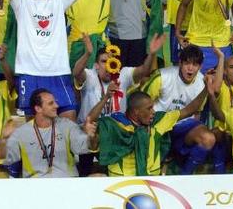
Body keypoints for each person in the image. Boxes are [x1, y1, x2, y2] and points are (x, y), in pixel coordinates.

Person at [9, 0, 114, 121]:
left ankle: (72, 144)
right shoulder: (22, 0)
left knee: (68, 114)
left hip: (57, 69)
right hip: (31, 70)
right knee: (36, 121)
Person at [74, 34, 163, 176]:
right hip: (89, 129)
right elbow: (77, 72)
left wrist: (152, 54)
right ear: (96, 65)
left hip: (114, 132)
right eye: (103, 61)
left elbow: (144, 70)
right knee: (89, 140)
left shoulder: (124, 74)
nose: (109, 66)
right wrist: (88, 53)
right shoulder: (90, 76)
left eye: (112, 61)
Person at [138, 44, 224, 174]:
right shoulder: (162, 77)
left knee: (208, 138)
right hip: (158, 124)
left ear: (200, 67)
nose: (190, 68)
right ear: (180, 63)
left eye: (195, 65)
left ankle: (185, 175)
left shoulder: (202, 82)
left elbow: (197, 114)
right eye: (187, 64)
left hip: (182, 127)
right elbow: (141, 104)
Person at [94, 84, 213, 176]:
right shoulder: (116, 125)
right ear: (136, 111)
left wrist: (206, 89)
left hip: (152, 181)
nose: (153, 112)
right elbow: (91, 122)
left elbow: (189, 110)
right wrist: (106, 98)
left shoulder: (159, 121)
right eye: (149, 108)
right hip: (121, 183)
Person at [0, 89, 97, 178]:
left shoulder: (67, 126)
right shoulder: (23, 132)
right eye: (51, 103)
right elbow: (0, 158)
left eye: (55, 102)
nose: (56, 105)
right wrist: (4, 140)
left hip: (66, 183)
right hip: (36, 187)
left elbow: (88, 147)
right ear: (38, 108)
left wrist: (92, 137)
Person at [175, 0, 233, 73]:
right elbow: (183, 5)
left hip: (223, 43)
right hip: (198, 42)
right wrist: (177, 32)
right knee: (197, 84)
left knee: (223, 84)